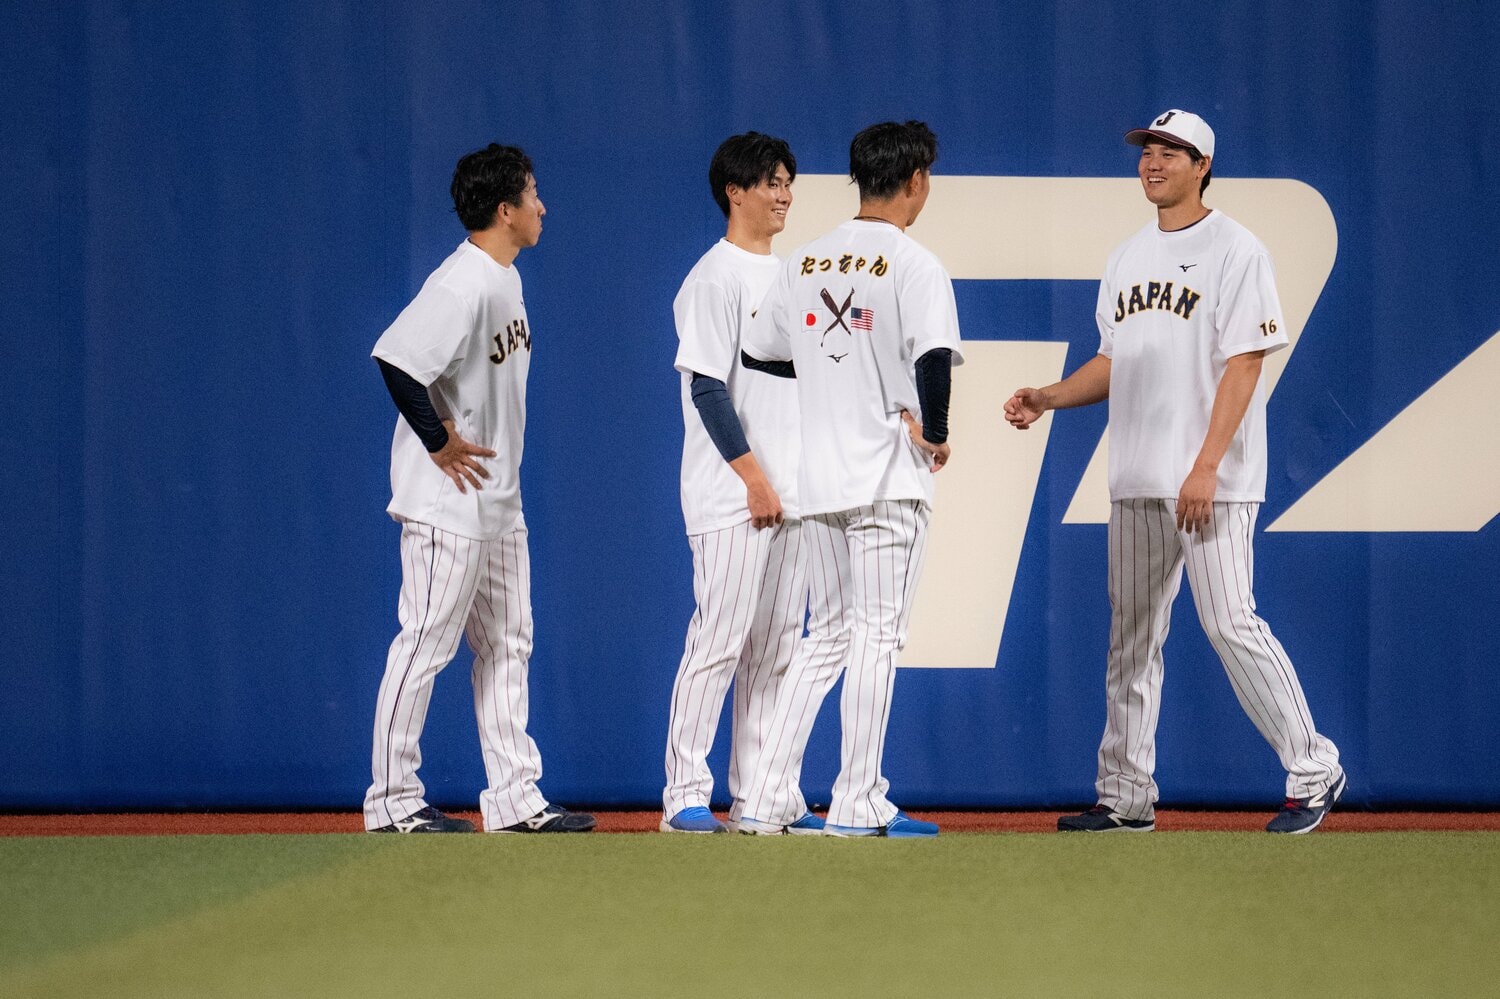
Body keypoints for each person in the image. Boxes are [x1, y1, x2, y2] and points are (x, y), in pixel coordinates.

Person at [1004, 109, 1346, 834]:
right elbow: (1111, 360)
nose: (1152, 162)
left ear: (1203, 166)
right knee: (1131, 638)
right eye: (1146, 150)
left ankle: (1314, 766)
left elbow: (1246, 360)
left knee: (1229, 621)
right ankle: (1126, 794)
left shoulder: (1237, 249)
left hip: (1208, 480)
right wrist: (1049, 396)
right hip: (1135, 475)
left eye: (1170, 151)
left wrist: (1207, 464)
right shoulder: (1127, 256)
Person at [737, 121, 963, 838]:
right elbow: (931, 358)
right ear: (916, 180)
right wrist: (935, 429)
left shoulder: (803, 260)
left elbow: (763, 352)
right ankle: (857, 798)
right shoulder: (915, 262)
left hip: (819, 481)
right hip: (887, 481)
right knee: (874, 636)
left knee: (825, 637)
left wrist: (835, 379)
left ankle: (765, 795)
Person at [363, 143, 595, 834]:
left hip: (498, 501)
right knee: (426, 642)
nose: (541, 206)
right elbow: (396, 359)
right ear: (506, 209)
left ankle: (515, 796)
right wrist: (437, 439)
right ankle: (392, 799)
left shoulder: (504, 278)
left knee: (508, 643)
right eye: (532, 194)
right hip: (448, 503)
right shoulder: (463, 282)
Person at [660, 133, 815, 835]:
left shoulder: (790, 276)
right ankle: (684, 794)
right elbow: (707, 390)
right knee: (719, 639)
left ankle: (761, 795)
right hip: (732, 492)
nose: (783, 193)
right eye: (770, 181)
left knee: (777, 647)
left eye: (788, 180)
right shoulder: (714, 276)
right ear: (735, 191)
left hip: (789, 492)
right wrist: (752, 477)